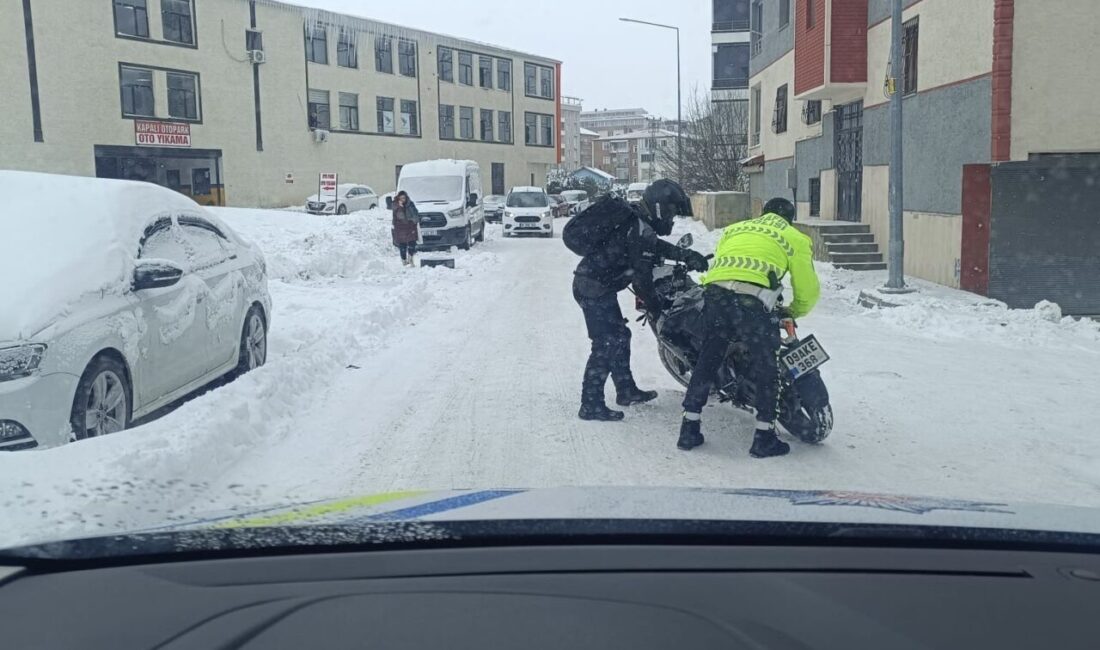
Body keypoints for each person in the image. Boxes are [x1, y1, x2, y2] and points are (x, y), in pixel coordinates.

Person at [677, 198, 820, 458]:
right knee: (767, 366)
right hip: (753, 302)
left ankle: (689, 427)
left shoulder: (736, 228)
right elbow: (808, 289)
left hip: (716, 295)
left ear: (763, 214)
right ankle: (764, 437)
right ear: (788, 218)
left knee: (708, 359)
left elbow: (724, 263)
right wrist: (794, 310)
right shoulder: (794, 237)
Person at [567, 179, 710, 421]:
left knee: (620, 337)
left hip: (596, 286)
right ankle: (590, 403)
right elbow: (641, 280)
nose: (672, 216)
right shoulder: (638, 225)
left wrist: (685, 255)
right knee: (606, 343)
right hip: (592, 288)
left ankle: (626, 390)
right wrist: (656, 309)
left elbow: (654, 245)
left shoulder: (638, 223)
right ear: (659, 207)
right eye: (672, 210)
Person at [392, 191, 419, 267]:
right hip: (400, 227)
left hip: (410, 226)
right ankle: (404, 260)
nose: (403, 199)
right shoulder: (395, 205)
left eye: (404, 197)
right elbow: (400, 216)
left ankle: (410, 258)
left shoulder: (410, 204)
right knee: (402, 244)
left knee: (412, 243)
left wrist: (415, 220)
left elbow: (416, 213)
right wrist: (400, 207)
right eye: (401, 198)